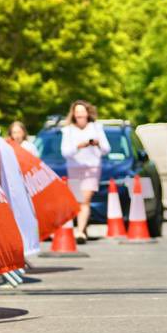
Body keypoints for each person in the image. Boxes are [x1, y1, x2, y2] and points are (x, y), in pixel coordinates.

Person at [60, 100, 110, 243]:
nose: (80, 114)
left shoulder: (96, 127)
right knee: (78, 201)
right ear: (73, 114)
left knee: (85, 200)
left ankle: (80, 232)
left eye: (82, 111)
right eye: (77, 112)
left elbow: (106, 149)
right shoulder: (68, 130)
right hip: (74, 169)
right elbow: (65, 152)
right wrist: (79, 146)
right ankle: (84, 227)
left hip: (92, 169)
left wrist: (97, 143)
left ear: (87, 113)